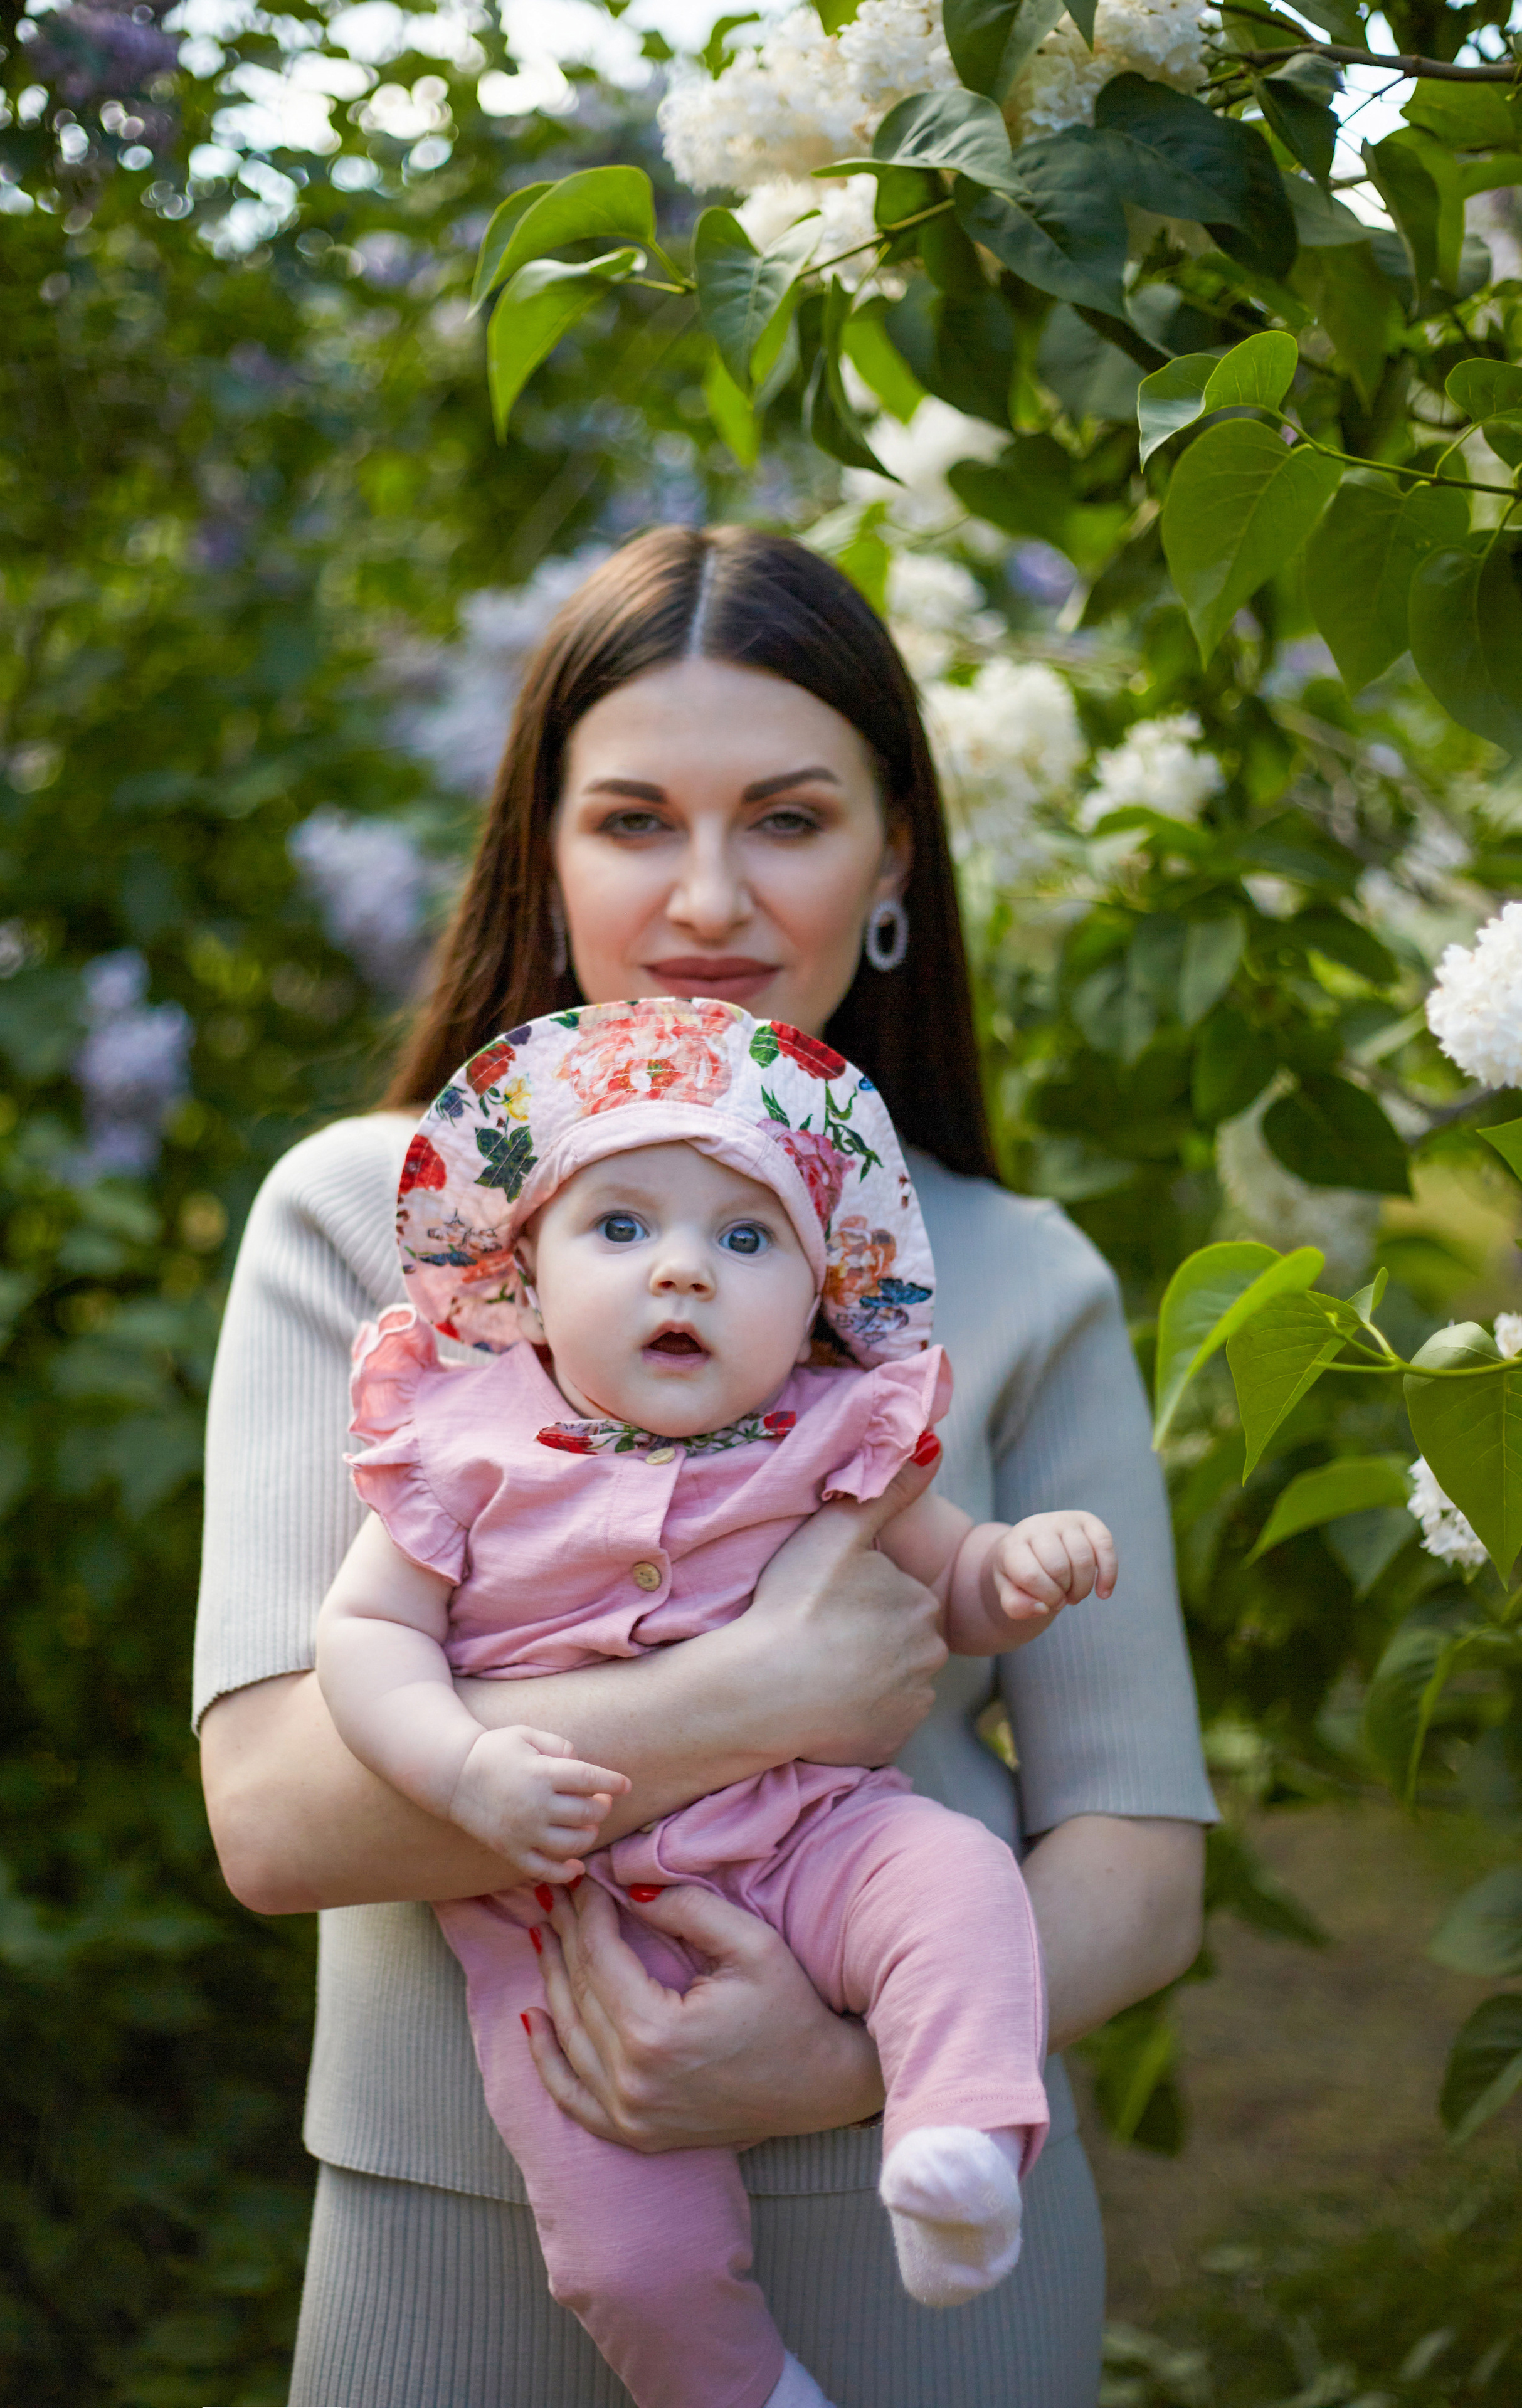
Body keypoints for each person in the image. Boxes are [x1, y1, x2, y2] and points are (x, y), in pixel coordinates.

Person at [194, 525, 1216, 2408]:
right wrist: (753, 1696)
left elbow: (1141, 1869)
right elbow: (275, 1817)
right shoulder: (372, 1229)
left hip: (927, 2257)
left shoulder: (1018, 1273)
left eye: (793, 819)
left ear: (896, 858)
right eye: (638, 821)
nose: (712, 899)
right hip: (459, 2228)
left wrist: (838, 2067)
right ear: (546, 851)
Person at [317, 995, 1119, 2408]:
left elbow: (959, 1585)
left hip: (813, 1835)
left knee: (953, 1885)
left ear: (814, 1296)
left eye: (743, 1240)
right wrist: (459, 1769)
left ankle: (956, 2145)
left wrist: (1020, 1567)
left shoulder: (833, 1431)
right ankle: (745, 2395)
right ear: (525, 1269)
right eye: (619, 1229)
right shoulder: (462, 1441)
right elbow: (366, 1635)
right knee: (622, 2256)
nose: (680, 1274)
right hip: (559, 1913)